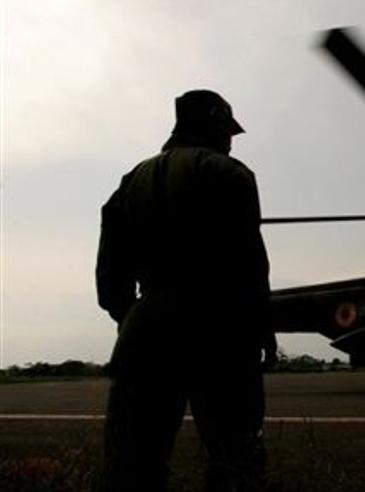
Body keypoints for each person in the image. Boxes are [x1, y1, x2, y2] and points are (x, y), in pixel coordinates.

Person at [96, 89, 276, 492]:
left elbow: (110, 276)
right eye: (228, 131)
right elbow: (250, 265)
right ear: (214, 125)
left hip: (145, 329)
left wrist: (134, 317)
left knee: (131, 464)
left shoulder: (131, 181)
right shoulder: (231, 174)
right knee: (235, 458)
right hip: (219, 326)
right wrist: (262, 328)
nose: (230, 141)